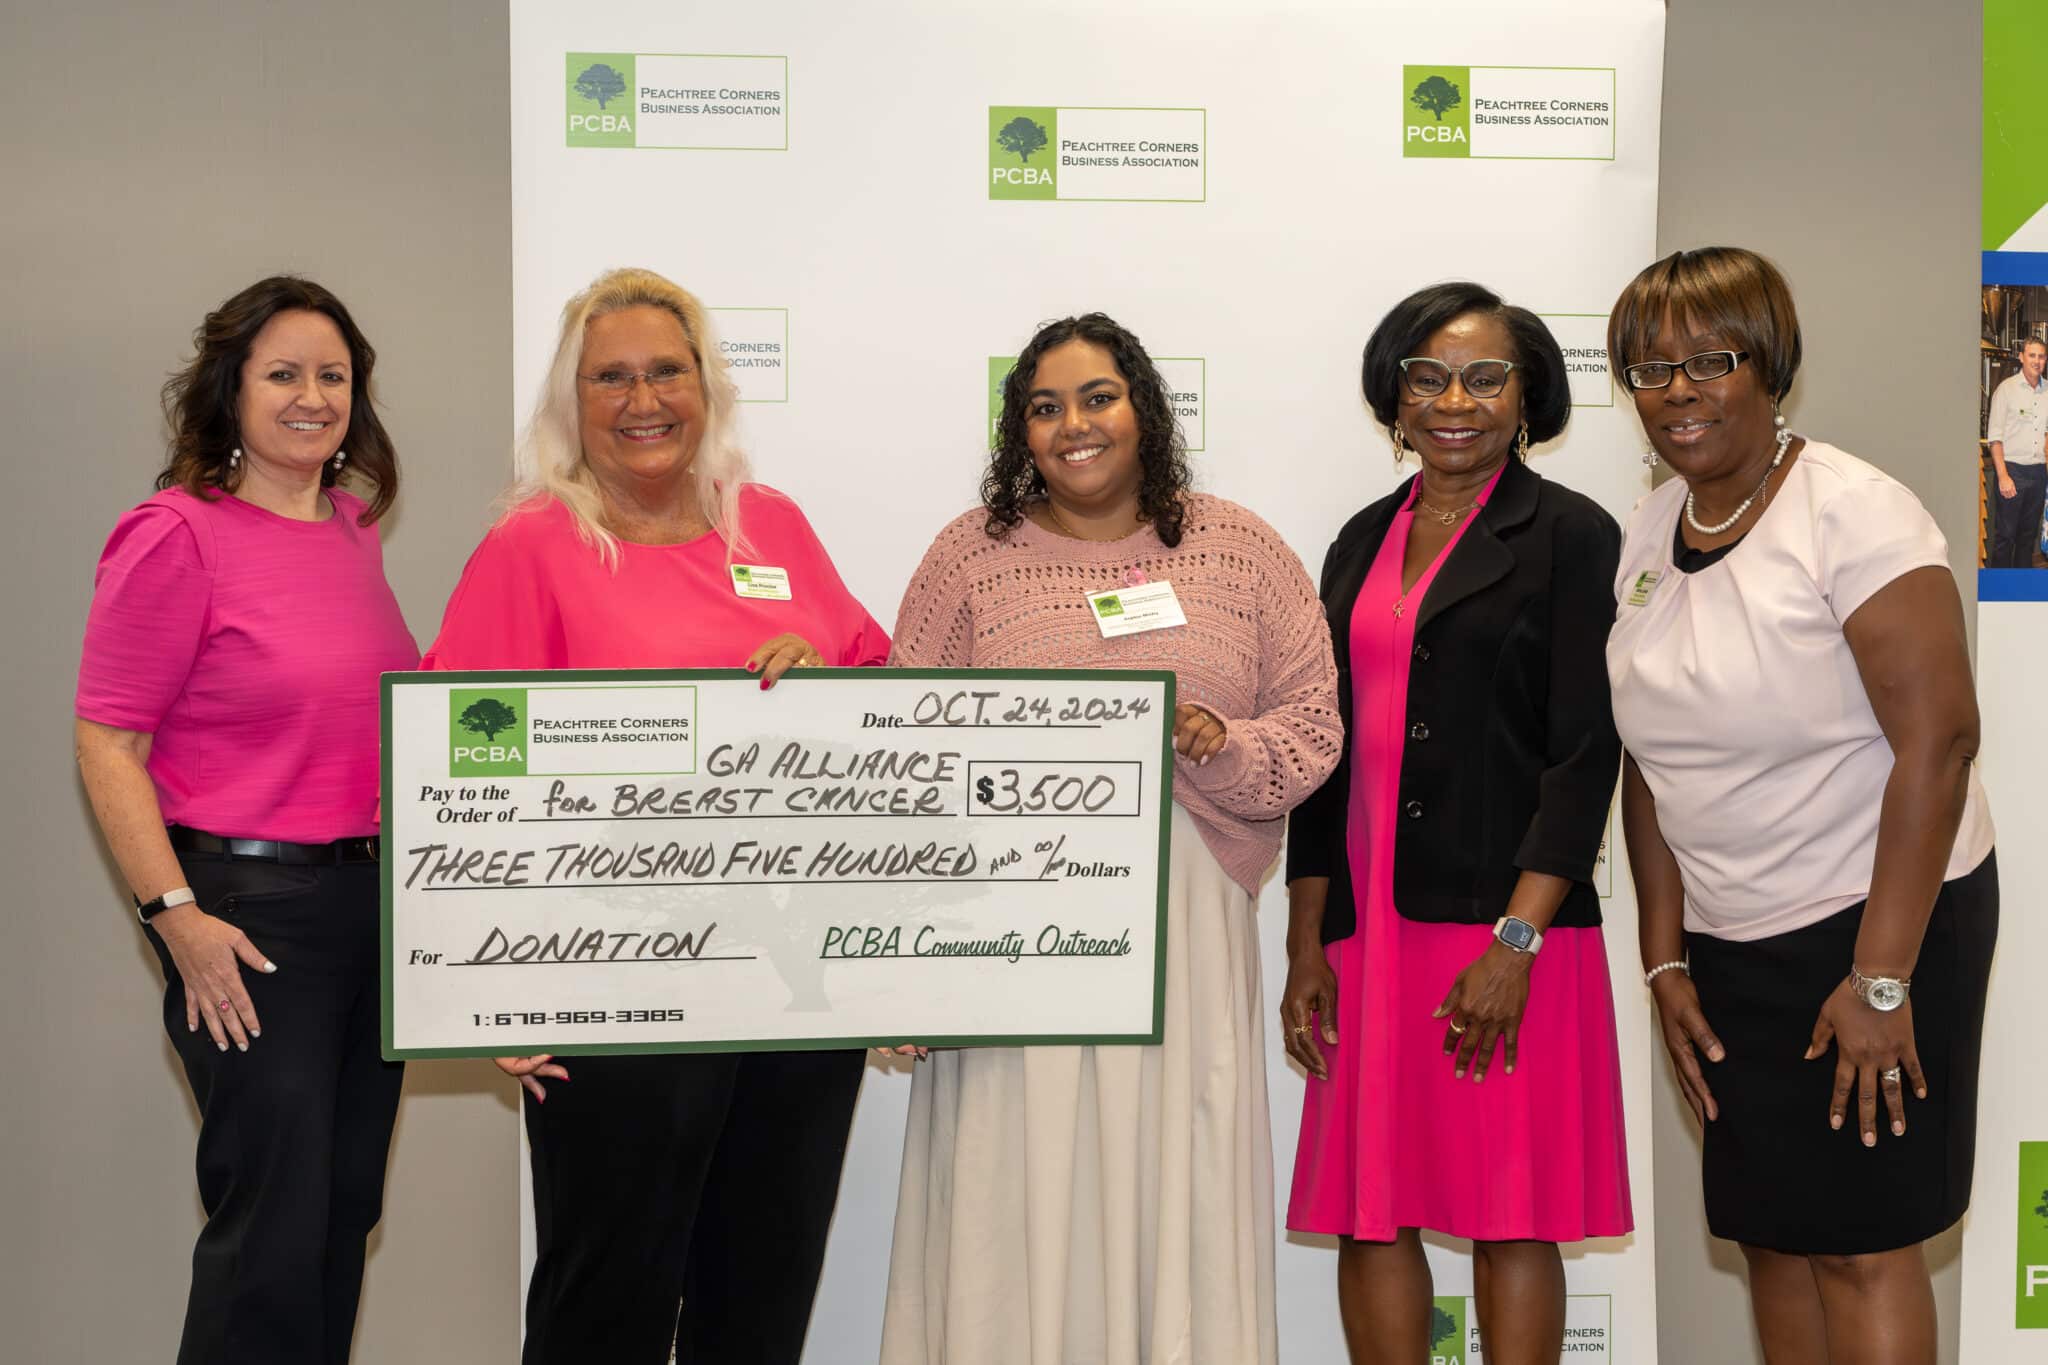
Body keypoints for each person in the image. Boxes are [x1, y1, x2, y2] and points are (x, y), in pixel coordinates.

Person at [420, 266, 889, 1364]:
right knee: (606, 1300)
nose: (643, 400)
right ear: (570, 403)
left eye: (666, 371)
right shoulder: (532, 545)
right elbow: (453, 769)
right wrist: (486, 988)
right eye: (611, 377)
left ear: (707, 385)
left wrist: (825, 675)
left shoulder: (770, 524)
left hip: (790, 988)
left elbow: (880, 704)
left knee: (761, 1293)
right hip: (612, 983)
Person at [879, 313, 1340, 1364]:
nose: (1072, 425)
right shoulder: (969, 559)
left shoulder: (1238, 549)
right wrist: (896, 965)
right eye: (1044, 407)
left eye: (1096, 398)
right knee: (1009, 1174)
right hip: (1000, 939)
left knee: (1170, 1176)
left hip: (1180, 928)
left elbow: (1313, 727)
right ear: (1018, 432)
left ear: (1143, 410)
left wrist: (1217, 743)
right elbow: (896, 752)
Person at [1606, 247, 1997, 1365]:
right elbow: (1648, 758)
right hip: (1730, 942)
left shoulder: (1852, 512)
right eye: (1646, 369)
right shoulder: (1645, 532)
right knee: (1772, 1238)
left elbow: (1940, 742)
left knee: (1862, 1244)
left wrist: (1881, 978)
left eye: (1707, 361)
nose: (1675, 392)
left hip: (1878, 919)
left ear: (1767, 368)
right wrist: (1664, 959)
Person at [1280, 283, 1633, 1365]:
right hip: (1367, 925)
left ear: (1528, 397)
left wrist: (1515, 943)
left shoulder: (1570, 533)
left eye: (1485, 378)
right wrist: (1306, 941)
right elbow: (1318, 752)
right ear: (1391, 398)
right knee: (1365, 1204)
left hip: (1502, 925)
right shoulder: (1356, 539)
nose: (1454, 401)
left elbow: (1585, 757)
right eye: (1426, 377)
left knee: (1508, 1208)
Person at [74, 276, 415, 1364]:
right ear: (230, 392)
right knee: (269, 1229)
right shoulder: (174, 534)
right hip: (249, 920)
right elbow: (108, 743)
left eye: (332, 376)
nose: (311, 397)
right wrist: (173, 915)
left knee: (337, 1217)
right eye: (282, 374)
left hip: (370, 912)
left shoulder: (353, 527)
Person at [1984, 335, 2048, 567]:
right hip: (2012, 472)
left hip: (2038, 474)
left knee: (2027, 538)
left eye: (2041, 356)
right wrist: (2003, 476)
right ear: (2021, 357)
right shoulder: (2006, 390)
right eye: (2032, 355)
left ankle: (2022, 594)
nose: (2037, 361)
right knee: (2005, 536)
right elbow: (1995, 438)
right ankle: (1999, 595)